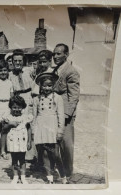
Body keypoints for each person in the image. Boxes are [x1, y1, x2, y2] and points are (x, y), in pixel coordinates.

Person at [32, 72, 67, 184]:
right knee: (45, 154)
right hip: (40, 127)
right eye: (44, 85)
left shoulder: (57, 98)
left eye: (49, 85)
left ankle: (63, 176)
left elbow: (61, 115)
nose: (47, 88)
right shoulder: (36, 99)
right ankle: (50, 177)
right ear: (40, 86)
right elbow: (34, 116)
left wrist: (60, 131)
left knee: (56, 154)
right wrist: (33, 131)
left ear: (53, 86)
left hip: (53, 127)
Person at [52, 43, 80, 177]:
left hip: (65, 114)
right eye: (54, 54)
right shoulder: (55, 70)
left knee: (67, 144)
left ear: (66, 55)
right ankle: (58, 169)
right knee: (56, 141)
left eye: (58, 53)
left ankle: (68, 172)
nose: (55, 56)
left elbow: (74, 96)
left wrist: (67, 114)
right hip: (55, 111)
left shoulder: (71, 71)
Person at [2, 95, 32, 184]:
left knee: (22, 159)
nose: (16, 109)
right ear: (11, 107)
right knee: (14, 159)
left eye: (19, 107)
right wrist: (10, 124)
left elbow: (29, 129)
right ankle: (15, 176)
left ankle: (23, 177)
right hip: (12, 141)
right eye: (14, 107)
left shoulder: (25, 117)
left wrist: (29, 141)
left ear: (22, 107)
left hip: (22, 141)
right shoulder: (8, 117)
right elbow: (3, 129)